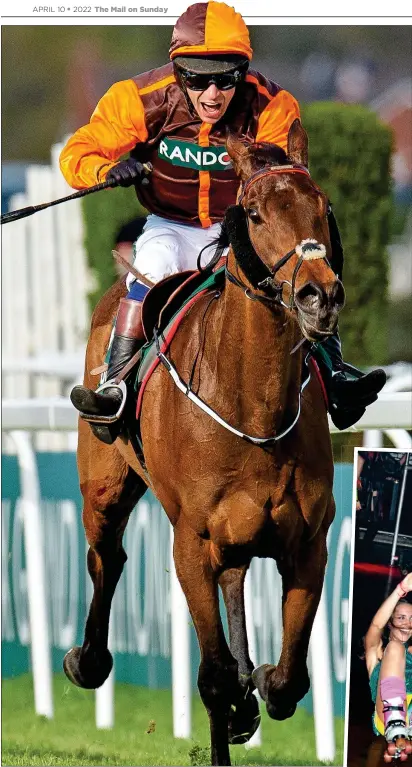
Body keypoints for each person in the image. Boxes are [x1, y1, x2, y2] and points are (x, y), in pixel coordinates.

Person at [60, 0, 386, 443]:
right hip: (170, 223)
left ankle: (334, 371)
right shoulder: (137, 99)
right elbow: (78, 153)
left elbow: (282, 187)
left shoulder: (272, 105)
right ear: (177, 71)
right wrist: (106, 170)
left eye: (226, 78)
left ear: (243, 71)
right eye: (197, 79)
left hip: (240, 226)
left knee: (301, 263)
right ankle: (116, 385)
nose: (212, 94)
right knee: (152, 266)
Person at [365, 574, 412, 761]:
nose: (407, 623)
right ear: (390, 623)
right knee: (394, 648)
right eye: (401, 617)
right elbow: (376, 625)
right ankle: (396, 720)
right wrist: (401, 589)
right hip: (386, 716)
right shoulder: (376, 653)